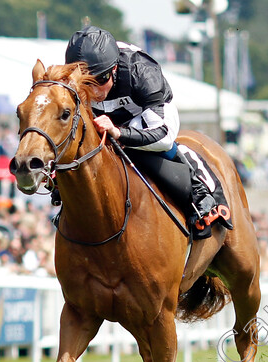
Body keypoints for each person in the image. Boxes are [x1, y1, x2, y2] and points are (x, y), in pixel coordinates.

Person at [64, 25, 220, 228]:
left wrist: (118, 132)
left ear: (113, 69)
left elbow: (163, 135)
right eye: (86, 82)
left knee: (155, 144)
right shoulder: (71, 76)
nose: (93, 91)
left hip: (146, 115)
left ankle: (197, 187)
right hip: (106, 117)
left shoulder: (141, 70)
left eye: (99, 80)